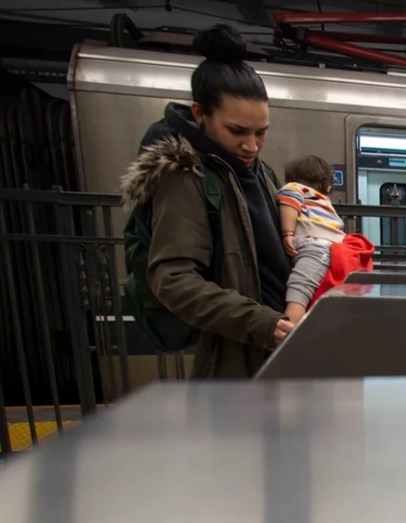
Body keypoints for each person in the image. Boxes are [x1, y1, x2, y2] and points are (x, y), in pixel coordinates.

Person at [121, 24, 294, 379]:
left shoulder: (260, 173)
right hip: (239, 355)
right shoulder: (185, 177)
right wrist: (261, 322)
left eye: (261, 132)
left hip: (277, 344)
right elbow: (172, 278)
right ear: (200, 113)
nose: (252, 146)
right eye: (237, 131)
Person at [277, 156, 346, 324]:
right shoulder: (318, 198)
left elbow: (288, 205)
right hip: (327, 248)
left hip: (315, 246)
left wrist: (287, 233)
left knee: (300, 290)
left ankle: (289, 329)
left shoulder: (294, 188)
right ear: (328, 186)